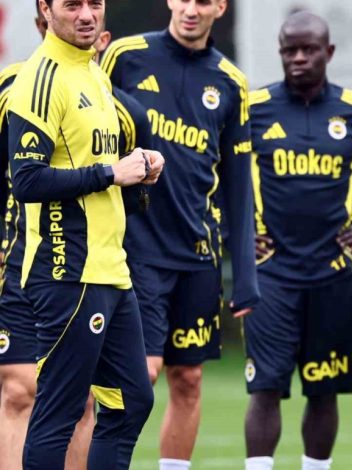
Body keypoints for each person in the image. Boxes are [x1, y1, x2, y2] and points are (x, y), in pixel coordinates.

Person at [243, 11, 352, 470]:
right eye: (289, 50)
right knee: (265, 388)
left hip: (332, 274)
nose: (298, 58)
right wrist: (235, 233)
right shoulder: (251, 109)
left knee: (324, 388)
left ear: (328, 52)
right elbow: (213, 167)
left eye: (308, 49)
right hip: (270, 275)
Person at [5, 0, 164, 467]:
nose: (87, 15)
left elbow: (103, 172)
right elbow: (26, 180)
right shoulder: (40, 79)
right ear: (46, 9)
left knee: (132, 400)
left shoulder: (94, 73)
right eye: (72, 4)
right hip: (67, 271)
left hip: (111, 269)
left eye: (94, 3)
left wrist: (140, 171)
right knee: (60, 411)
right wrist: (111, 172)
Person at [101, 0, 260, 468]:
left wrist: (245, 275)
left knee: (188, 379)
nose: (191, 9)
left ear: (220, 7)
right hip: (136, 249)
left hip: (197, 255)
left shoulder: (231, 82)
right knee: (139, 374)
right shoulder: (125, 55)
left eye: (203, 1)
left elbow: (238, 182)